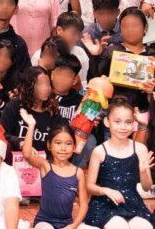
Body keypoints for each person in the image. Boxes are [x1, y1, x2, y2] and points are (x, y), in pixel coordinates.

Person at [84, 99, 154, 229]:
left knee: (144, 226)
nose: (123, 127)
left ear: (134, 124)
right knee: (119, 225)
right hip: (106, 204)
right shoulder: (99, 151)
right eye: (117, 121)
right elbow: (89, 186)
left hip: (132, 203)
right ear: (107, 122)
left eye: (128, 122)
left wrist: (143, 172)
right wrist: (105, 190)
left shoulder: (140, 149)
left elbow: (146, 187)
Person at [18, 112, 88, 229]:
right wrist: (31, 126)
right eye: (58, 143)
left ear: (74, 147)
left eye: (68, 144)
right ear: (49, 145)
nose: (63, 148)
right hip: (44, 222)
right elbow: (27, 154)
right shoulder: (45, 166)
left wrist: (74, 225)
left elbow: (84, 204)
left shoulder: (78, 172)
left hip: (67, 224)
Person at [85, 7, 155, 112]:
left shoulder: (152, 55)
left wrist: (153, 90)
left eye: (135, 25)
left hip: (146, 114)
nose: (130, 29)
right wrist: (94, 56)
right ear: (120, 30)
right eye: (125, 26)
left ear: (145, 27)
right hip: (114, 113)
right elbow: (93, 82)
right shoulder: (111, 52)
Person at [0, 67, 62, 156]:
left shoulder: (53, 111)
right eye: (40, 84)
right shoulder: (15, 106)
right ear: (29, 86)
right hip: (16, 158)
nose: (45, 88)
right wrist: (20, 142)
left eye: (48, 83)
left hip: (42, 160)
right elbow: (2, 133)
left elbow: (57, 140)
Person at [31, 12, 89, 83]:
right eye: (73, 33)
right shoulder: (38, 56)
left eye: (79, 34)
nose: (77, 38)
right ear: (59, 30)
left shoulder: (81, 53)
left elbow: (83, 83)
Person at [49, 54, 83, 121]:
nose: (62, 79)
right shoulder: (44, 98)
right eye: (59, 73)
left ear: (75, 80)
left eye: (67, 75)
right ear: (52, 75)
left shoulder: (80, 102)